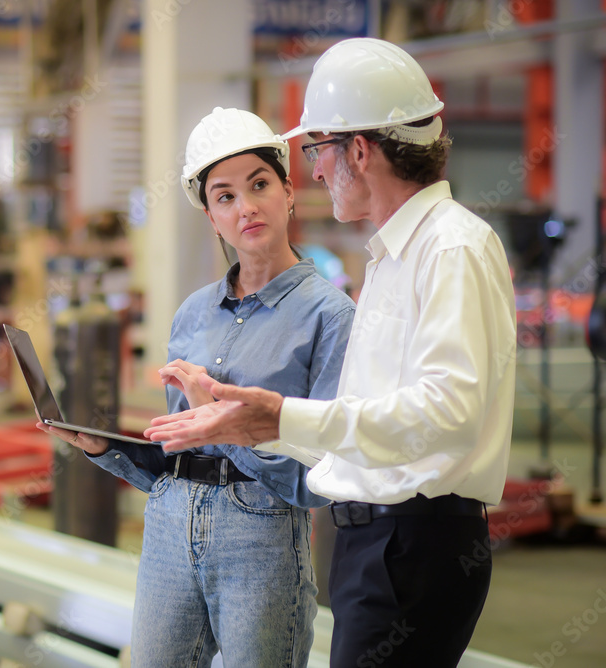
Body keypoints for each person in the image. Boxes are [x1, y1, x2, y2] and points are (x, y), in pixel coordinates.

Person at [145, 38, 517, 668]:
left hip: (412, 541)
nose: (314, 170)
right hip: (377, 542)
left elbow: (448, 411)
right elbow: (355, 424)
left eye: (317, 151)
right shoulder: (393, 258)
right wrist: (247, 425)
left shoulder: (450, 249)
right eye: (223, 196)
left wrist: (280, 418)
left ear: (360, 151)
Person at [38, 107, 355, 666]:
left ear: (287, 192)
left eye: (259, 185)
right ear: (211, 216)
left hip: (260, 534)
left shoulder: (329, 315)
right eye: (225, 196)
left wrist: (229, 426)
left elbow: (322, 478)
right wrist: (110, 449)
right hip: (167, 523)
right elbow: (180, 450)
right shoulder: (191, 314)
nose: (246, 207)